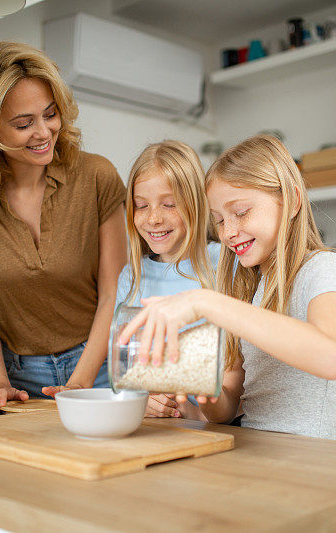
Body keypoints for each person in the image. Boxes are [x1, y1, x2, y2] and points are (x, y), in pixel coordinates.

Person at [118, 135, 336, 439]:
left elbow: (333, 357)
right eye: (218, 220)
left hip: (307, 461)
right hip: (251, 451)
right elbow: (227, 410)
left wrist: (205, 302)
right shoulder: (249, 284)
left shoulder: (323, 266)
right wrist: (209, 391)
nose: (228, 232)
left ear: (292, 201)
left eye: (241, 212)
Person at [0, 42, 127, 416]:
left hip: (102, 368)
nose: (44, 132)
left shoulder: (96, 177)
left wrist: (80, 384)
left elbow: (114, 295)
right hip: (17, 379)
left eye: (50, 114)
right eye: (24, 124)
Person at [115, 140, 220, 420]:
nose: (153, 218)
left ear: (196, 203)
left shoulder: (225, 264)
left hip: (215, 425)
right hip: (152, 428)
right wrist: (143, 400)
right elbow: (125, 368)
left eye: (169, 204)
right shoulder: (132, 276)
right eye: (141, 205)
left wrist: (194, 411)